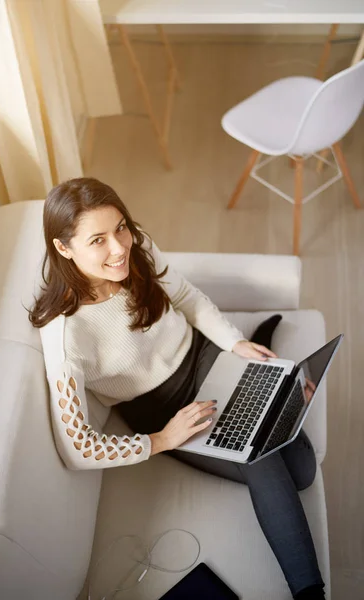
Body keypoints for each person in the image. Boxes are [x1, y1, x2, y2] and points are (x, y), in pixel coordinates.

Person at [30, 177, 325, 599]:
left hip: (204, 356)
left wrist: (236, 343)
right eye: (97, 239)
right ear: (63, 248)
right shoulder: (65, 334)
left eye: (120, 228)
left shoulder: (134, 249)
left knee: (301, 470)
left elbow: (186, 297)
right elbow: (78, 448)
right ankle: (311, 593)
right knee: (274, 461)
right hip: (166, 409)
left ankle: (275, 389)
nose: (119, 248)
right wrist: (162, 440)